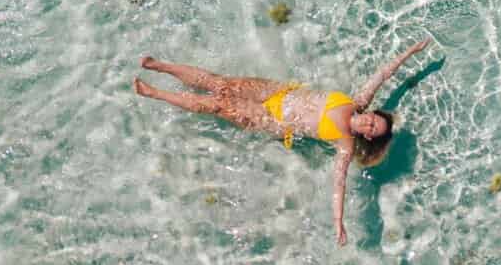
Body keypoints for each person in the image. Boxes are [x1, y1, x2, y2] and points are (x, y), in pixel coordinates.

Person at [134, 37, 433, 245]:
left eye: (372, 128)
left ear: (367, 135)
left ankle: (155, 93)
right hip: (277, 92)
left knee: (217, 105)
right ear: (372, 113)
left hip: (272, 120)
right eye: (374, 119)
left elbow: (338, 182)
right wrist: (411, 52)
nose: (369, 122)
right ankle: (159, 66)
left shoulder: (345, 143)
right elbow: (383, 74)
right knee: (220, 83)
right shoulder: (357, 101)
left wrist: (338, 221)